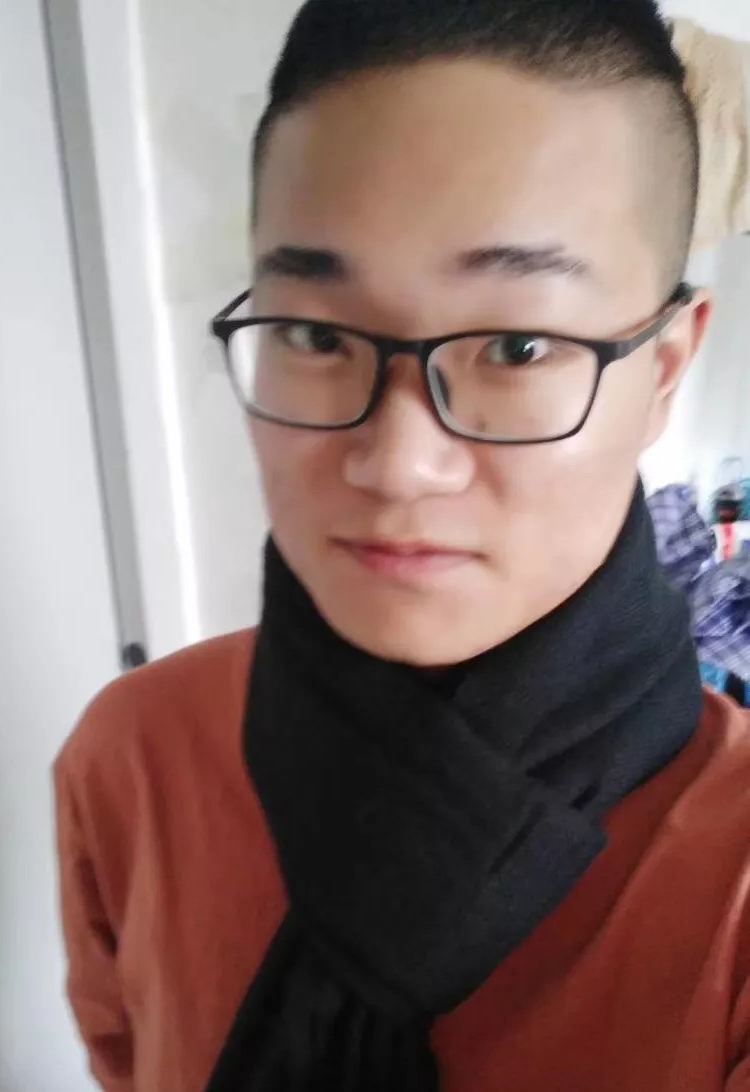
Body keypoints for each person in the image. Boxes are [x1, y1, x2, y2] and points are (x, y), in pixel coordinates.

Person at [54, 2, 750, 1090]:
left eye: (517, 346)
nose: (397, 462)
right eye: (315, 334)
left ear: (662, 372)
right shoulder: (132, 760)